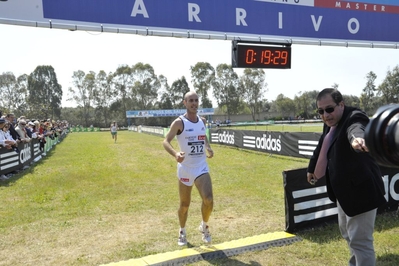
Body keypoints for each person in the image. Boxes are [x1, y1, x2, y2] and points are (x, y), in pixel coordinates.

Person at [307, 88, 386, 266]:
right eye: (321, 111)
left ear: (341, 104)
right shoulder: (330, 122)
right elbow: (323, 143)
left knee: (360, 241)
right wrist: (312, 167)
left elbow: (356, 129)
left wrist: (357, 139)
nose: (325, 115)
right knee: (349, 236)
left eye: (329, 109)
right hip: (343, 191)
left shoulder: (355, 117)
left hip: (362, 191)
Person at [163, 91, 214, 246]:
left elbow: (202, 135)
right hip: (185, 168)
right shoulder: (179, 123)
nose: (194, 103)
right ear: (184, 103)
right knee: (184, 205)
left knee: (209, 199)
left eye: (196, 100)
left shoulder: (202, 121)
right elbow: (165, 141)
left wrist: (208, 147)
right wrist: (175, 153)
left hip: (201, 167)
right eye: (190, 100)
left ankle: (204, 226)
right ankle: (182, 230)